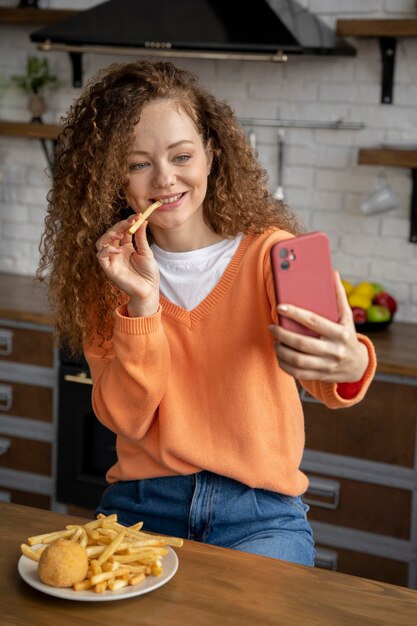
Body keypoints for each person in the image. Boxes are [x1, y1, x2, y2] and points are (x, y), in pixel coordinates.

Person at [38, 60, 376, 567]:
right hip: (141, 508)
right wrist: (143, 305)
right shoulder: (109, 278)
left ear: (212, 154)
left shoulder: (275, 255)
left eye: (181, 155)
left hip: (261, 515)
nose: (164, 178)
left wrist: (349, 365)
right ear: (114, 177)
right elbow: (127, 420)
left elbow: (328, 376)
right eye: (137, 164)